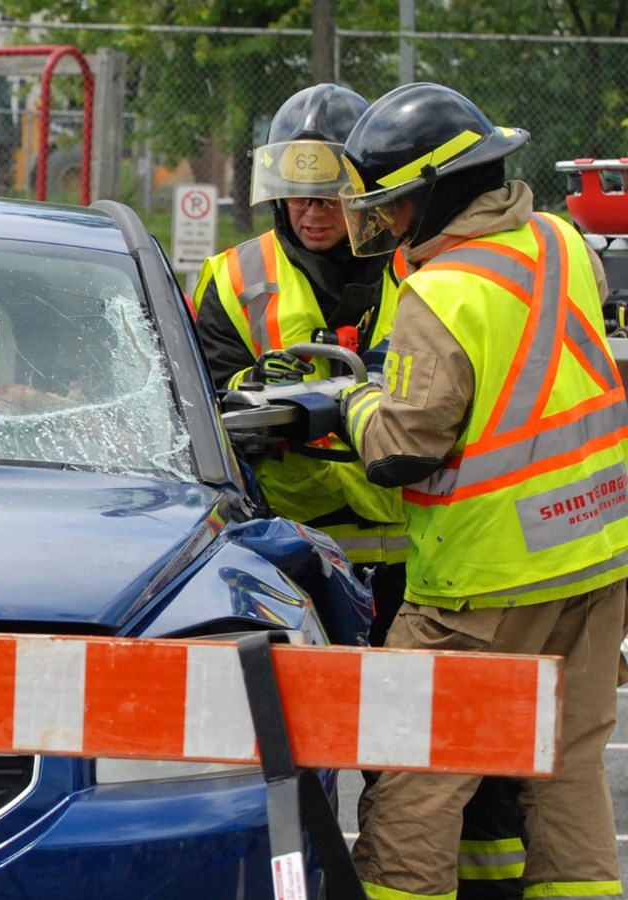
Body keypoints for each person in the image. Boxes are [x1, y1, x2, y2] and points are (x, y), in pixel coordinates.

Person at [194, 83, 527, 899]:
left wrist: (353, 396)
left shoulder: (427, 263)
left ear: (368, 194)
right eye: (296, 197)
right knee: (292, 753)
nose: (311, 214)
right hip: (295, 565)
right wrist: (263, 402)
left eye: (328, 197)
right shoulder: (232, 278)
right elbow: (203, 398)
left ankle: (488, 888)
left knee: (446, 753)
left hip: (424, 556)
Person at [338, 82, 628, 900]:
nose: (391, 223)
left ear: (438, 192)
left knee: (419, 772)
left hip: (485, 578)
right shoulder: (563, 243)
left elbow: (403, 449)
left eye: (396, 205)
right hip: (595, 555)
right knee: (567, 767)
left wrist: (351, 399)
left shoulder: (440, 291)